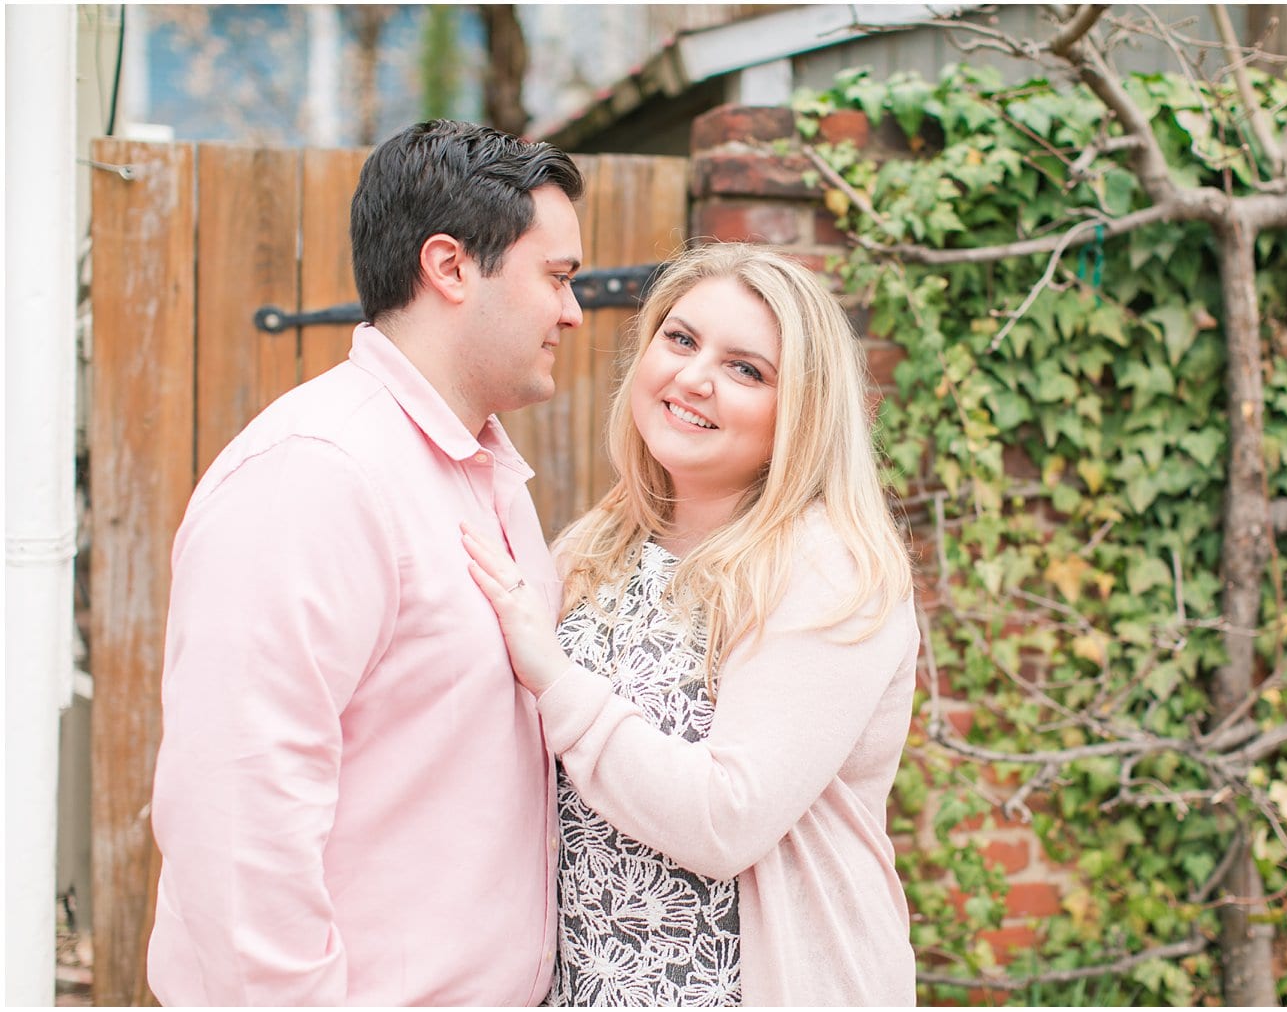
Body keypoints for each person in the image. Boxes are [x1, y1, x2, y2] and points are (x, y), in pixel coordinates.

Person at [147, 120, 585, 1005]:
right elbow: (237, 815)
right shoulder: (316, 475)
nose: (575, 312)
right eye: (557, 276)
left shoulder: (483, 471)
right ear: (450, 266)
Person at [461, 243, 921, 1006]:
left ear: (801, 409)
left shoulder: (828, 567)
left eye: (746, 369)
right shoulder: (599, 543)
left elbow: (725, 820)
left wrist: (553, 676)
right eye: (680, 339)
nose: (693, 377)